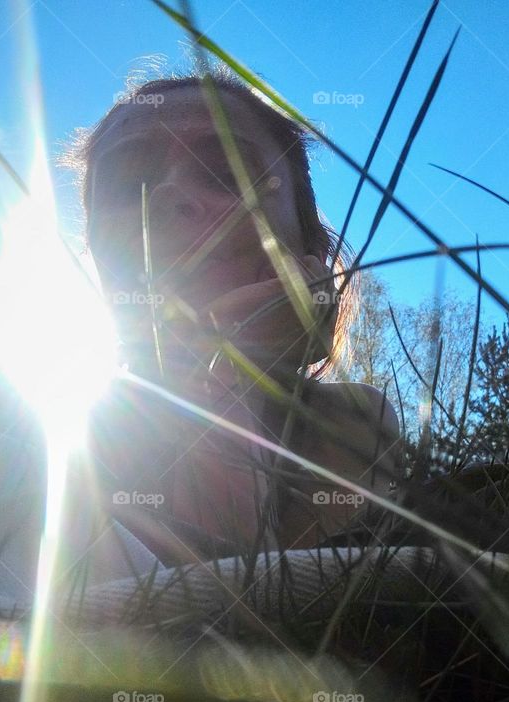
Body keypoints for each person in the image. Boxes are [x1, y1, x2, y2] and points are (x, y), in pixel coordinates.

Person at [64, 67, 402, 565]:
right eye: (123, 186)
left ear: (307, 242)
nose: (165, 197)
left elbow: (241, 605)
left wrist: (230, 374)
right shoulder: (37, 429)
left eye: (228, 175)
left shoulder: (347, 424)